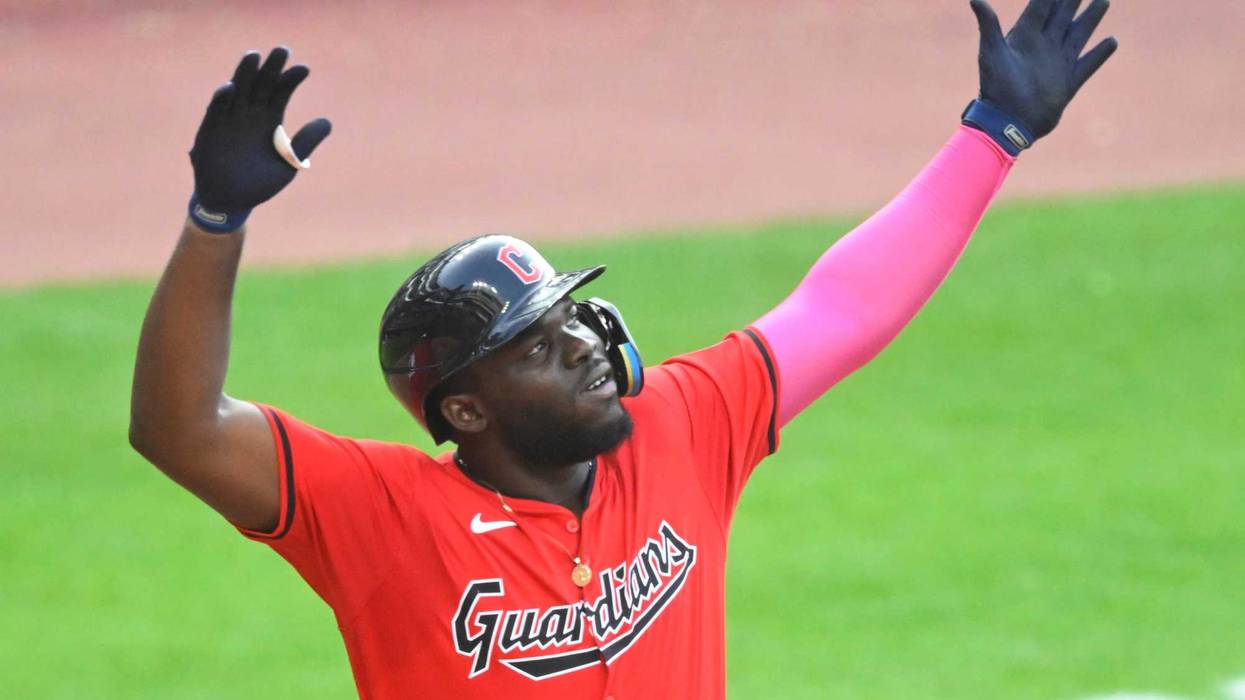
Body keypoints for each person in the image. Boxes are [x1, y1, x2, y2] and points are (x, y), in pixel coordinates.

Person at [128, 1, 1117, 697]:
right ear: (464, 408)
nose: (584, 344)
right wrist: (216, 220)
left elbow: (842, 308)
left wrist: (995, 134)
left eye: (571, 316)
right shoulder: (386, 520)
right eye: (536, 342)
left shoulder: (677, 427)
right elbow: (179, 429)